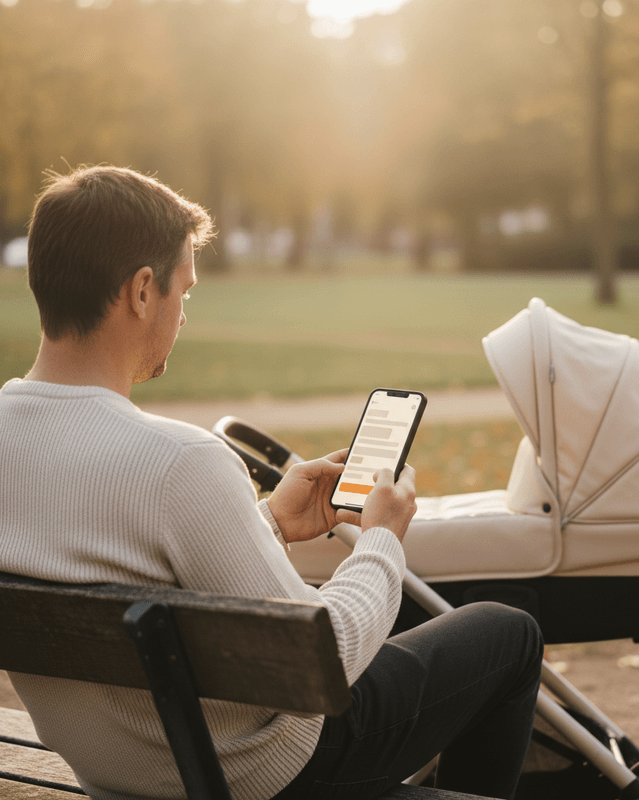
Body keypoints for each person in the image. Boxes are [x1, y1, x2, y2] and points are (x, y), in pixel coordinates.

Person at [0, 165, 542, 800]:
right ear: (142, 292)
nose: (183, 314)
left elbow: (107, 549)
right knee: (508, 632)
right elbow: (324, 666)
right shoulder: (182, 461)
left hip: (109, 764)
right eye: (186, 292)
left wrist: (269, 524)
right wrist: (382, 540)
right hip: (255, 769)